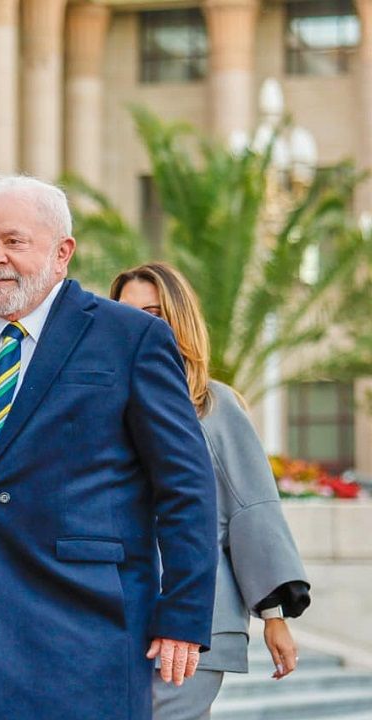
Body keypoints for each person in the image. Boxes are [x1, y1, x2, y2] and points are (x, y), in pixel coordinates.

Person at [0, 174, 218, 720]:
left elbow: (185, 486)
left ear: (62, 252)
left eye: (13, 241)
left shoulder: (131, 339)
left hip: (92, 626)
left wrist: (184, 615)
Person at [111, 262, 311, 720]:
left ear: (179, 320)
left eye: (154, 313)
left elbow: (253, 512)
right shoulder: (106, 406)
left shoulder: (214, 406)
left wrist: (274, 616)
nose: (139, 325)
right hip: (120, 617)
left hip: (200, 618)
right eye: (125, 313)